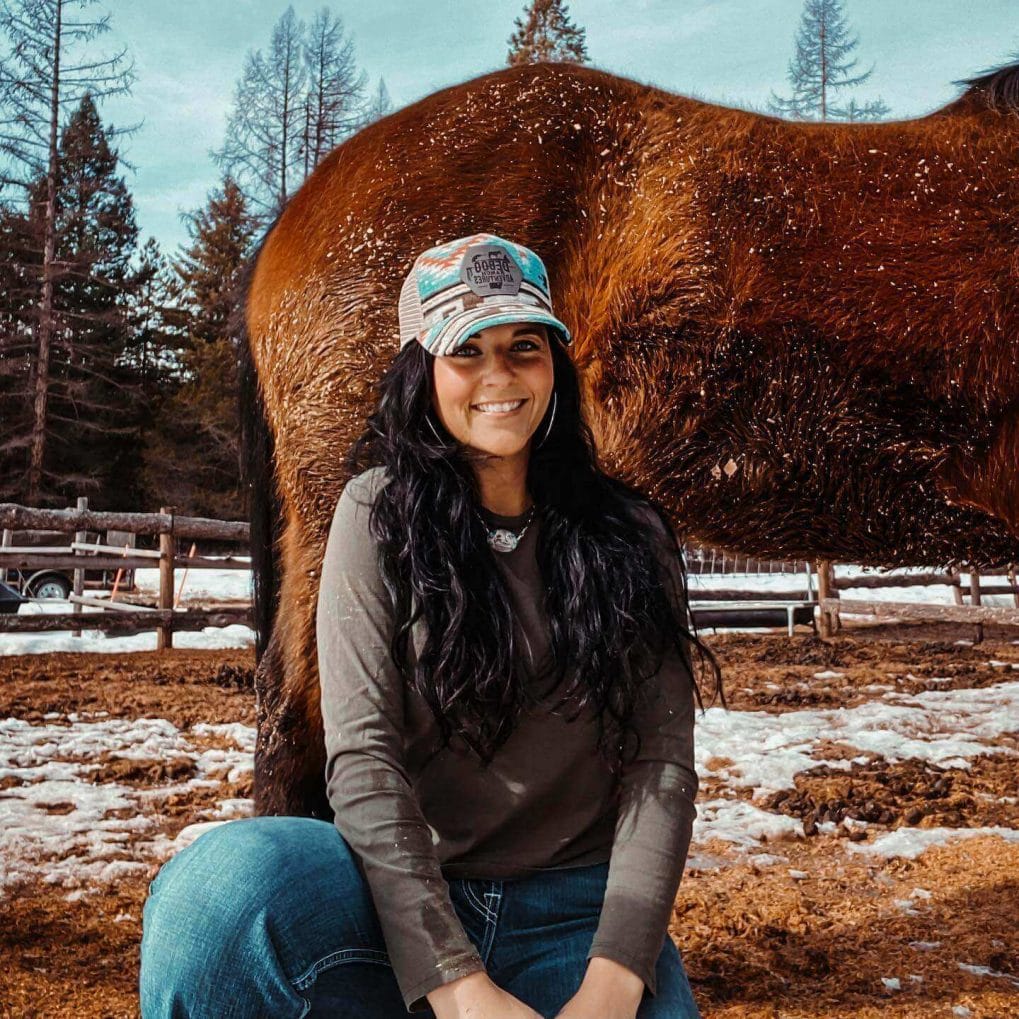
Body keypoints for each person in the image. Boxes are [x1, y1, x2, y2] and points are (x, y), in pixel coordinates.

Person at [139, 233, 723, 1019]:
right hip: (400, 893)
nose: (498, 376)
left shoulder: (627, 532)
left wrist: (615, 978)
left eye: (524, 346)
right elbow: (363, 760)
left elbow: (661, 767)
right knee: (217, 891)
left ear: (555, 364)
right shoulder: (376, 514)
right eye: (467, 351)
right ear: (423, 370)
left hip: (573, 912)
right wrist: (456, 983)